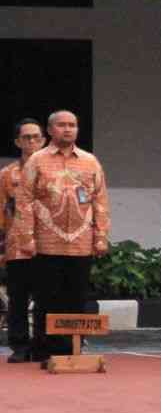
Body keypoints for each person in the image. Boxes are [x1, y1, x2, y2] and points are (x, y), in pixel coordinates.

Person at [13, 111, 111, 365]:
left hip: (81, 244)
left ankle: (71, 350)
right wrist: (27, 237)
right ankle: (46, 352)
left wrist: (101, 236)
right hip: (47, 243)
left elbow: (100, 200)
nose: (68, 129)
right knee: (47, 299)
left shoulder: (90, 162)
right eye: (62, 125)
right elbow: (24, 201)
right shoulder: (37, 160)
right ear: (50, 130)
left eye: (72, 125)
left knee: (76, 299)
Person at [3, 118, 45, 363]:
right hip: (17, 244)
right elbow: (1, 212)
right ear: (18, 141)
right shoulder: (7, 175)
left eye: (36, 137)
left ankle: (42, 344)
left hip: (48, 244)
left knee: (45, 297)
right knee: (17, 297)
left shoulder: (55, 171)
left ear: (43, 140)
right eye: (26, 137)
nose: (31, 141)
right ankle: (19, 346)